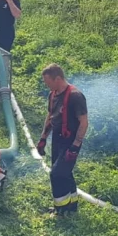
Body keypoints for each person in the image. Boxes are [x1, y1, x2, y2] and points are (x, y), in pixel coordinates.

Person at [36, 64, 88, 216]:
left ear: (58, 78)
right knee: (65, 173)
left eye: (48, 82)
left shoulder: (75, 96)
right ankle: (71, 206)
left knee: (56, 174)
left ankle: (61, 209)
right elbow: (50, 116)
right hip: (57, 138)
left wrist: (75, 146)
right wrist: (43, 139)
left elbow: (84, 122)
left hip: (71, 141)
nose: (47, 86)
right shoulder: (53, 95)